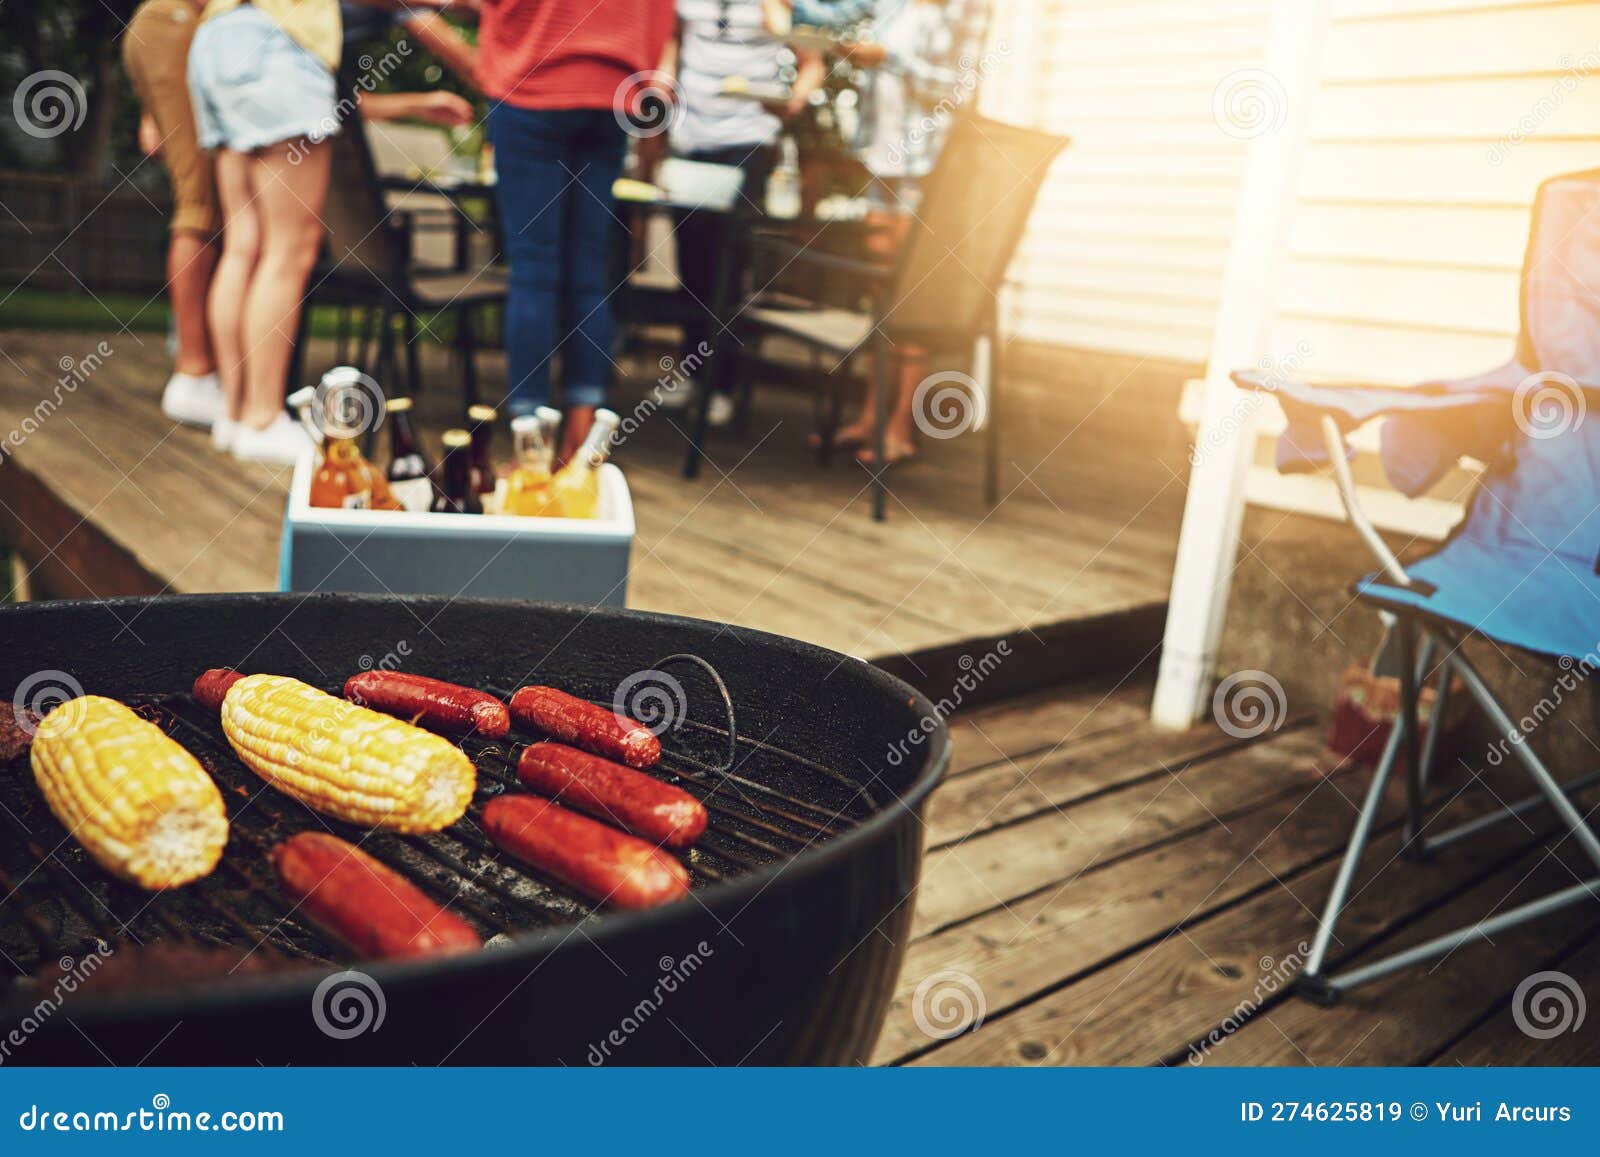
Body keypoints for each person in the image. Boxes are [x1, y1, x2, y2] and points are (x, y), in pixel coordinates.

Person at [186, 0, 459, 464]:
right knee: (289, 249)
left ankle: (234, 415)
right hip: (279, 46)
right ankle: (261, 418)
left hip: (217, 40)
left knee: (242, 245)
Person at [477, 0, 676, 460]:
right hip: (613, 93)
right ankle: (581, 445)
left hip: (533, 84)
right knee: (588, 273)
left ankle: (532, 450)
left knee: (534, 272)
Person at [654, 0, 825, 427]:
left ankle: (722, 384)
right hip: (690, 134)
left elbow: (810, 59)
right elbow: (673, 39)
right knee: (691, 264)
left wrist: (796, 99)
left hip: (747, 137)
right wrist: (662, 80)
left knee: (730, 267)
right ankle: (693, 373)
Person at [822, 0, 962, 466]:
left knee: (911, 297)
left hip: (924, 169)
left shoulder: (966, 9)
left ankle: (901, 425)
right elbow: (832, 10)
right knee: (880, 292)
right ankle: (869, 414)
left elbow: (960, 88)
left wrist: (888, 59)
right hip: (882, 162)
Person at [122, 0, 221, 431]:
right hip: (174, 22)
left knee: (211, 205)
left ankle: (199, 363)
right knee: (200, 203)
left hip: (170, 27)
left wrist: (151, 107)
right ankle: (193, 373)